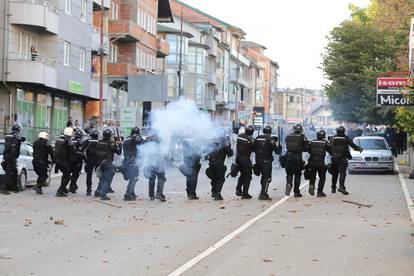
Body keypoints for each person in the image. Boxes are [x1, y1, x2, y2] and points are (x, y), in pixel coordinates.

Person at [330, 126, 363, 195]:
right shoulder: (346, 138)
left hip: (334, 158)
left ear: (337, 131)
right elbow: (353, 145)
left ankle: (333, 188)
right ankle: (341, 187)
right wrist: (359, 149)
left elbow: (330, 147)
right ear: (344, 131)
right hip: (342, 158)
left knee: (335, 173)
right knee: (342, 173)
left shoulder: (332, 138)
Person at [253, 125, 281, 200]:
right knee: (267, 178)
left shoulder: (258, 138)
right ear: (270, 132)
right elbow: (277, 151)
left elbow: (253, 148)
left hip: (258, 160)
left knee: (263, 177)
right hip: (266, 162)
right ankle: (263, 194)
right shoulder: (271, 139)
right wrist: (279, 147)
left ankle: (263, 191)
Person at [95, 128, 122, 200]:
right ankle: (103, 194)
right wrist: (119, 144)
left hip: (99, 162)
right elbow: (119, 153)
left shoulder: (99, 142)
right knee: (108, 178)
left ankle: (98, 191)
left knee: (102, 178)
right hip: (107, 162)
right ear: (110, 135)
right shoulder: (111, 143)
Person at [285, 124, 309, 197]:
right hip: (298, 157)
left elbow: (286, 146)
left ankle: (289, 183)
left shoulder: (288, 136)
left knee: (289, 174)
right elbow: (305, 149)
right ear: (301, 130)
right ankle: (296, 192)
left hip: (288, 157)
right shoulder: (303, 137)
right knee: (297, 175)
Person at [206, 135, 233, 200]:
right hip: (219, 164)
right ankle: (217, 194)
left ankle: (213, 192)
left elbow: (206, 153)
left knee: (214, 178)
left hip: (211, 163)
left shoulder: (211, 141)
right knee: (220, 179)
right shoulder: (224, 142)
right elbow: (230, 153)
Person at [122, 127, 144, 201]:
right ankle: (128, 194)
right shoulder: (135, 139)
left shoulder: (126, 139)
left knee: (134, 177)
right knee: (133, 178)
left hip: (127, 160)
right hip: (132, 161)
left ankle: (131, 192)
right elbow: (142, 142)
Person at [307, 129, 331, 197]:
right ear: (324, 136)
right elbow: (330, 151)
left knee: (312, 176)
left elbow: (308, 150)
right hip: (321, 163)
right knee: (322, 177)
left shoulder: (312, 142)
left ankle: (311, 185)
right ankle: (320, 192)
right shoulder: (325, 142)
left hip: (312, 162)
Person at [1, 123, 23, 194]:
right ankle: (3, 187)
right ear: (18, 129)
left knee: (15, 171)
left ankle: (15, 187)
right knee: (8, 173)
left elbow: (7, 148)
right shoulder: (15, 136)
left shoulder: (9, 136)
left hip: (7, 157)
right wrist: (13, 157)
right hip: (11, 158)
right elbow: (13, 148)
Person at [55, 127, 77, 197]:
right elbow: (73, 151)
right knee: (67, 176)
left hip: (58, 161)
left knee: (65, 175)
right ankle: (60, 190)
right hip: (64, 161)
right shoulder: (68, 141)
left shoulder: (58, 140)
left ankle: (63, 188)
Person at [235, 125, 255, 199]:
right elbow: (254, 149)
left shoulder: (240, 136)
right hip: (245, 159)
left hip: (238, 158)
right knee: (248, 176)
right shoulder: (251, 139)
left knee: (242, 174)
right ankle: (245, 193)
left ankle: (238, 189)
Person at [146, 135, 167, 202]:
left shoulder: (149, 143)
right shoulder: (160, 141)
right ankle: (159, 193)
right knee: (161, 178)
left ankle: (151, 195)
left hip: (151, 163)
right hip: (159, 162)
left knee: (152, 179)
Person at [69, 128, 87, 193]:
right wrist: (86, 160)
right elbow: (82, 152)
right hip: (77, 160)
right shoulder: (81, 142)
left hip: (70, 159)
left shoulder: (71, 140)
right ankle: (72, 186)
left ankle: (73, 185)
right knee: (75, 174)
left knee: (70, 173)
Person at [85, 129, 99, 196]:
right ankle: (100, 189)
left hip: (89, 159)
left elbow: (81, 149)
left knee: (89, 174)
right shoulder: (100, 141)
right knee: (101, 174)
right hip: (98, 160)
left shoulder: (88, 141)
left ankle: (88, 190)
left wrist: (85, 160)